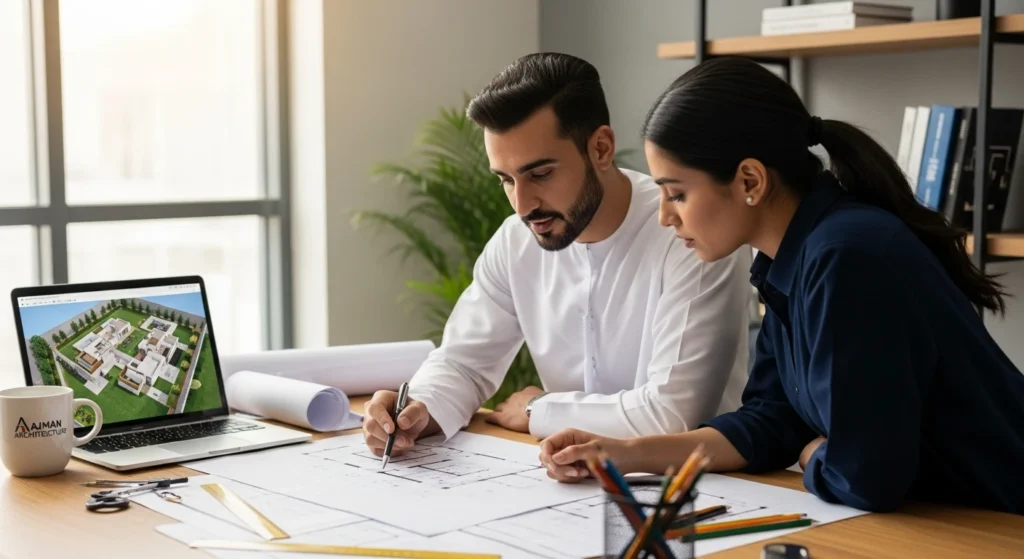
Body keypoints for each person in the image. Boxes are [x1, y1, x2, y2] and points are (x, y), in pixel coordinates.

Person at [537, 56, 1024, 515]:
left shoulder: (845, 258)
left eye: (677, 194)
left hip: (996, 523)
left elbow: (865, 477)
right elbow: (771, 421)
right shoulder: (789, 259)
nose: (665, 216)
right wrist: (622, 454)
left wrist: (814, 455)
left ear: (750, 180)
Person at [361, 53, 753, 457]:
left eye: (540, 174)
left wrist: (538, 410)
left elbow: (672, 415)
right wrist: (418, 411)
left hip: (701, 487)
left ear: (601, 148)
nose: (522, 204)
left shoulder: (691, 232)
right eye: (506, 180)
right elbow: (463, 363)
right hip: (565, 481)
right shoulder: (517, 240)